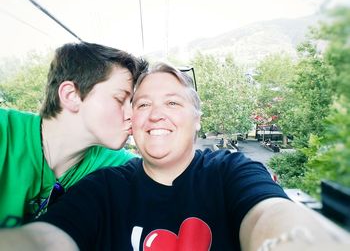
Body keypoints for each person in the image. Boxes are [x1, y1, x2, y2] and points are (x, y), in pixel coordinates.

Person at [0, 63, 349, 250]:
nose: (156, 115)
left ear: (197, 119)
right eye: (143, 104)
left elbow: (269, 215)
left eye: (172, 102)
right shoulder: (103, 188)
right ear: (133, 121)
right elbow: (47, 238)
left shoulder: (230, 173)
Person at [0, 42, 148, 228]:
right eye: (120, 99)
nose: (132, 115)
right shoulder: (5, 134)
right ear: (71, 95)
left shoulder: (113, 164)